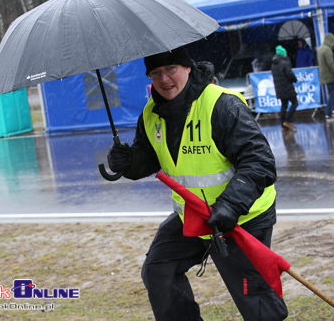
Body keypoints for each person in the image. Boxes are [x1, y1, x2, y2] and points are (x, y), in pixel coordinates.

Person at [106, 46, 288, 321]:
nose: (164, 79)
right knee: (158, 270)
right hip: (192, 215)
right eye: (155, 73)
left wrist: (230, 205)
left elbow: (259, 161)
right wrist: (128, 161)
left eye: (171, 69)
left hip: (241, 217)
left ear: (188, 68)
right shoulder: (151, 113)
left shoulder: (222, 105)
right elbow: (150, 158)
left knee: (257, 300)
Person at [271, 45, 298, 131]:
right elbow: (290, 74)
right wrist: (295, 79)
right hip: (287, 87)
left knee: (283, 106)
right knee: (295, 103)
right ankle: (288, 121)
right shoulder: (284, 63)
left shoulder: (273, 65)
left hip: (279, 89)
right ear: (283, 54)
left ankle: (283, 124)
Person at [316, 33, 334, 121]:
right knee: (333, 93)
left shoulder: (320, 49)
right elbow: (331, 64)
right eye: (333, 42)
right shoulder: (327, 50)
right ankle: (330, 112)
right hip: (329, 75)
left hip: (323, 75)